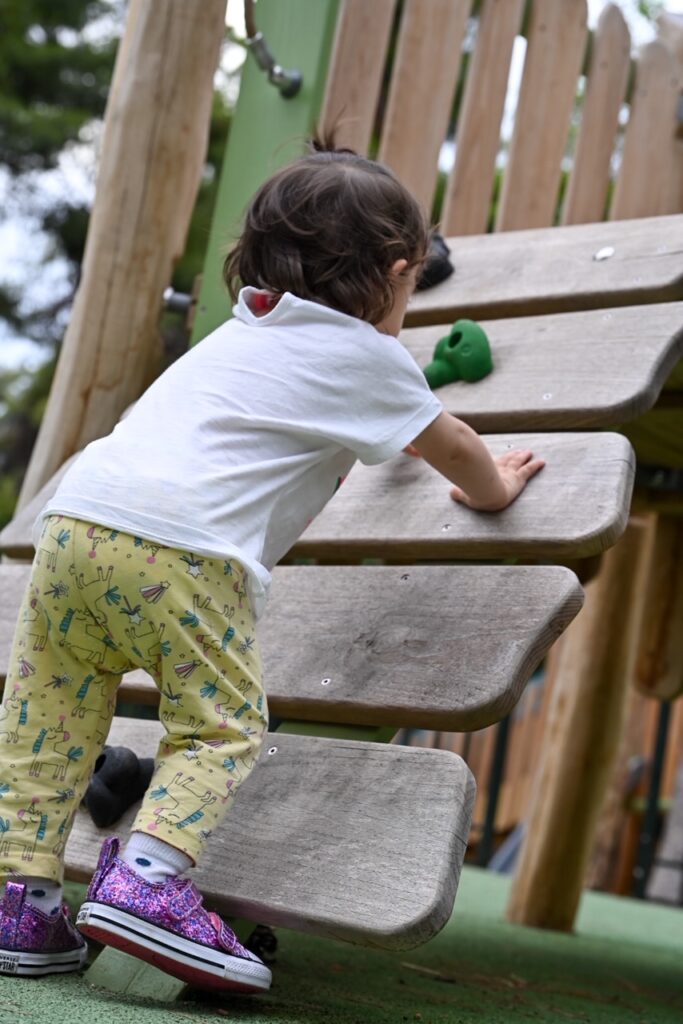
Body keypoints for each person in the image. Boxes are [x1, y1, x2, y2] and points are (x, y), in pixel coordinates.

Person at [0, 139, 543, 993]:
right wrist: (491, 492)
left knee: (51, 718)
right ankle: (146, 882)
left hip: (75, 523)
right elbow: (455, 449)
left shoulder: (244, 326)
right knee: (218, 726)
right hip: (183, 551)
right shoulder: (369, 356)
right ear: (401, 274)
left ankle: (21, 898)